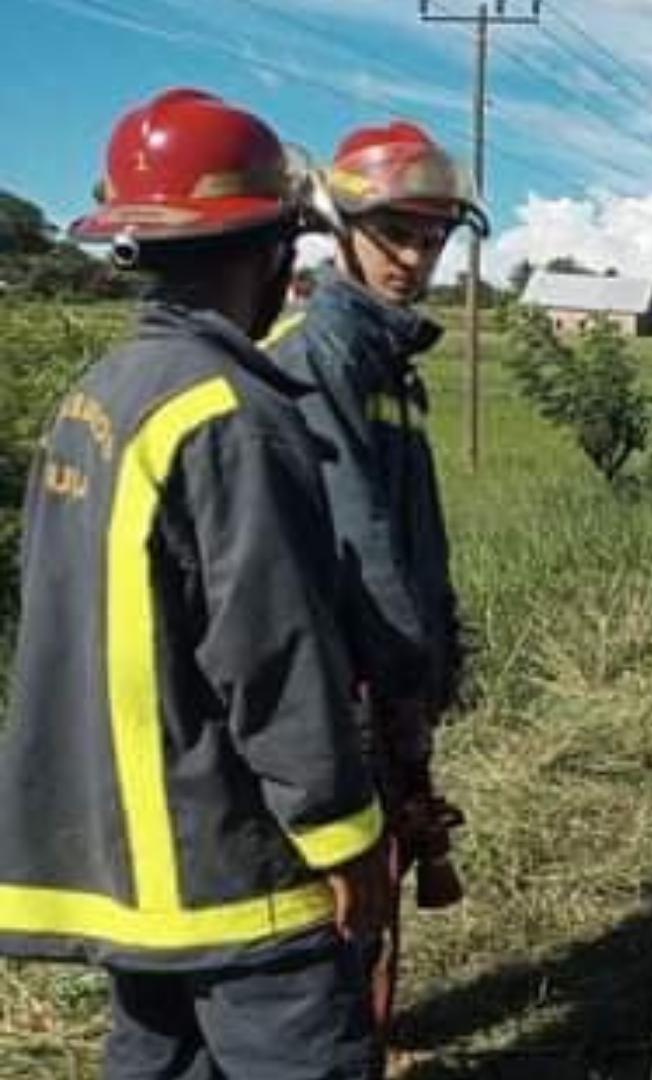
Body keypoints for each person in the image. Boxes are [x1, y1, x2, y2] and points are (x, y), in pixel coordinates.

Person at [0, 88, 389, 1078]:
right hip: (231, 862)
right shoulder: (232, 416)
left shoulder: (98, 397)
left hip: (123, 862)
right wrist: (344, 839)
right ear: (275, 251)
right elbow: (274, 655)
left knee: (158, 1058)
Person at [266, 119, 487, 1035]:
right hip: (349, 674)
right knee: (341, 899)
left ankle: (370, 1035)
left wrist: (439, 639)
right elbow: (358, 538)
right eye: (396, 231)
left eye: (433, 236)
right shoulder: (323, 353)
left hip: (390, 667)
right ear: (340, 228)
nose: (415, 255)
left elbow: (412, 528)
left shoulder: (388, 354)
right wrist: (403, 673)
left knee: (382, 875)